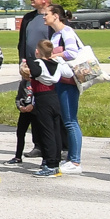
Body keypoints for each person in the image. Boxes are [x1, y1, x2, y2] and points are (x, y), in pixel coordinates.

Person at [8, 0, 51, 164]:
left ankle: (57, 146)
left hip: (47, 67)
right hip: (30, 67)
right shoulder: (28, 18)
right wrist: (22, 61)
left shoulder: (52, 17)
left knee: (45, 108)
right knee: (29, 104)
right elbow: (22, 42)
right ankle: (37, 144)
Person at [44, 5, 84, 174]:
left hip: (69, 82)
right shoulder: (55, 34)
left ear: (56, 16)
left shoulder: (66, 32)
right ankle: (70, 158)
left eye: (46, 14)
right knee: (66, 120)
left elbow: (73, 53)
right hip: (61, 80)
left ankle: (75, 161)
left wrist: (54, 55)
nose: (44, 17)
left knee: (70, 120)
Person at [23, 39, 69, 177]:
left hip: (43, 98)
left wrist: (30, 59)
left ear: (38, 51)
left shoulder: (38, 63)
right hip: (54, 97)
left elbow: (35, 72)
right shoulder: (56, 64)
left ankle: (49, 164)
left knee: (47, 132)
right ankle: (55, 162)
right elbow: (68, 74)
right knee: (55, 132)